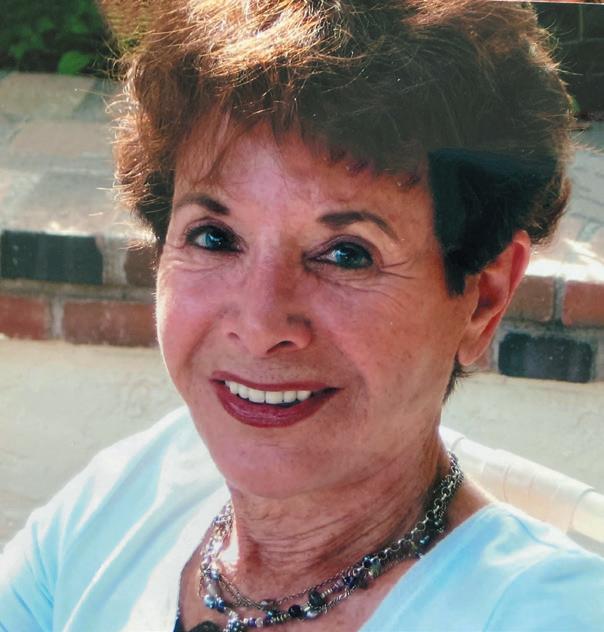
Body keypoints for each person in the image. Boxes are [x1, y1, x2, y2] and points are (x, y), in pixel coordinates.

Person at [2, 1, 604, 630]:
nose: (260, 326)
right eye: (213, 237)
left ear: (483, 299)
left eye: (346, 254)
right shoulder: (129, 496)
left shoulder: (549, 615)